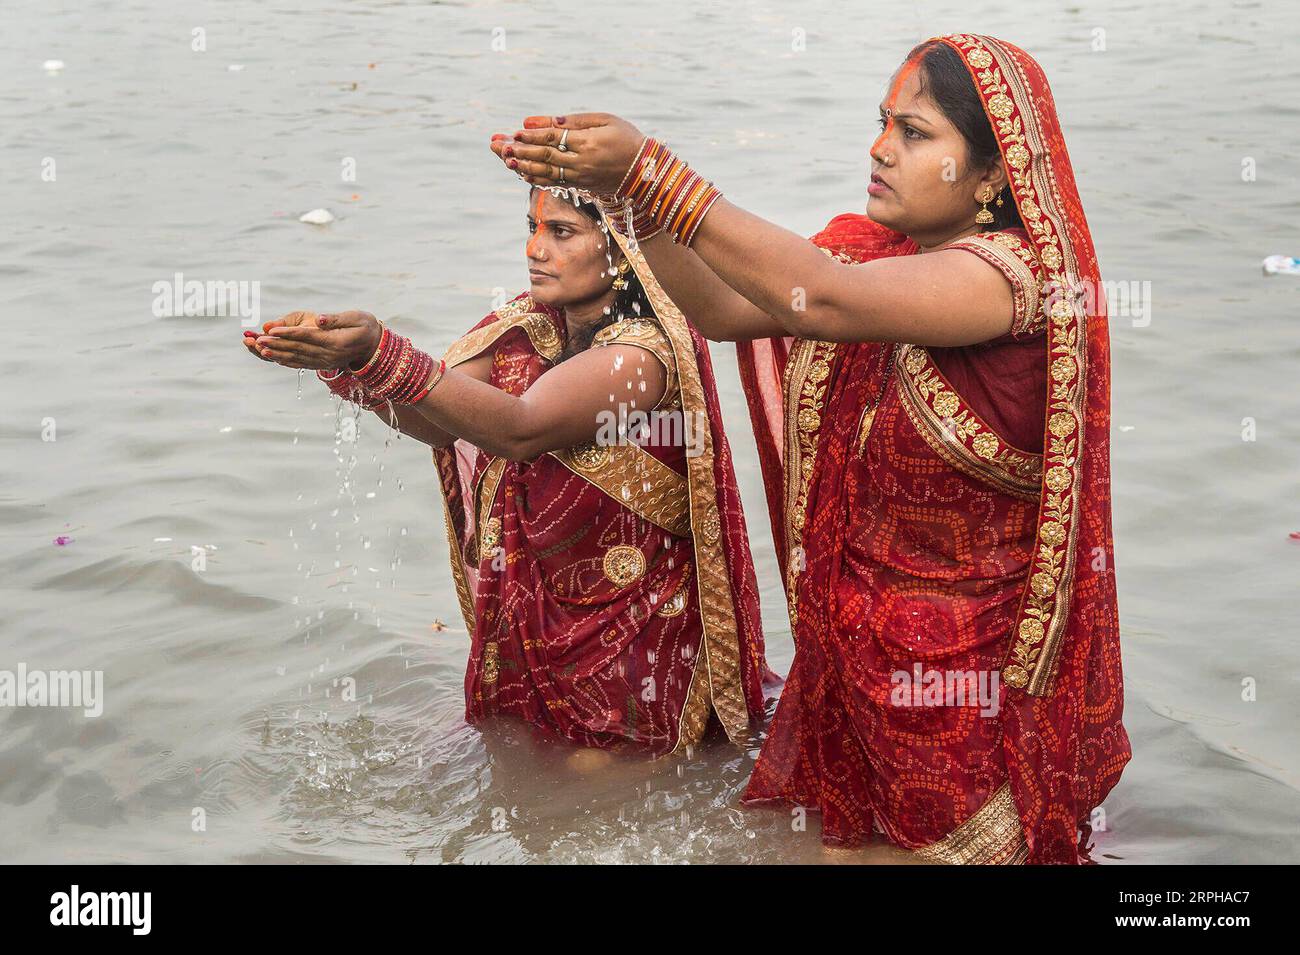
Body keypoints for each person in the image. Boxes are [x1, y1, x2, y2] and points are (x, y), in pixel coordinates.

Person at [490, 33, 1130, 862]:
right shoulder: (877, 258)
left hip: (962, 704)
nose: (879, 147)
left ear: (993, 175)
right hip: (852, 683)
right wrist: (627, 202)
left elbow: (824, 301)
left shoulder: (1011, 280)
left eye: (914, 132)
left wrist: (654, 169)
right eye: (881, 122)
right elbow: (722, 307)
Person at [242, 186, 770, 758]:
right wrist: (353, 363)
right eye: (532, 227)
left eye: (561, 232)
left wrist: (382, 351)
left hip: (631, 629)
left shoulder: (644, 356)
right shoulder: (525, 328)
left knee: (601, 776)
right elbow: (442, 423)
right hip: (535, 619)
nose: (534, 249)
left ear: (620, 245)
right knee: (513, 759)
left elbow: (521, 429)